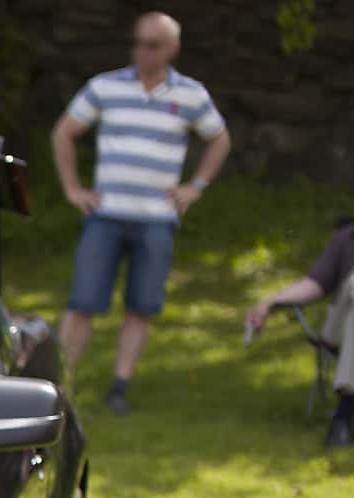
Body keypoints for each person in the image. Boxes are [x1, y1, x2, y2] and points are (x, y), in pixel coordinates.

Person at [52, 11, 232, 414]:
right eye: (138, 43)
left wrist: (195, 187)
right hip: (105, 215)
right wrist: (73, 189)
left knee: (142, 306)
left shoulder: (191, 95)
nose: (142, 52)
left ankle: (119, 387)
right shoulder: (105, 86)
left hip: (157, 219)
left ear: (172, 49)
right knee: (82, 301)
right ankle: (58, 387)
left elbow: (220, 139)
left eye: (152, 45)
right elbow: (64, 132)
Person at [245, 170, 354, 448]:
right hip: (336, 330)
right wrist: (270, 303)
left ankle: (342, 423)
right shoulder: (348, 237)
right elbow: (313, 284)